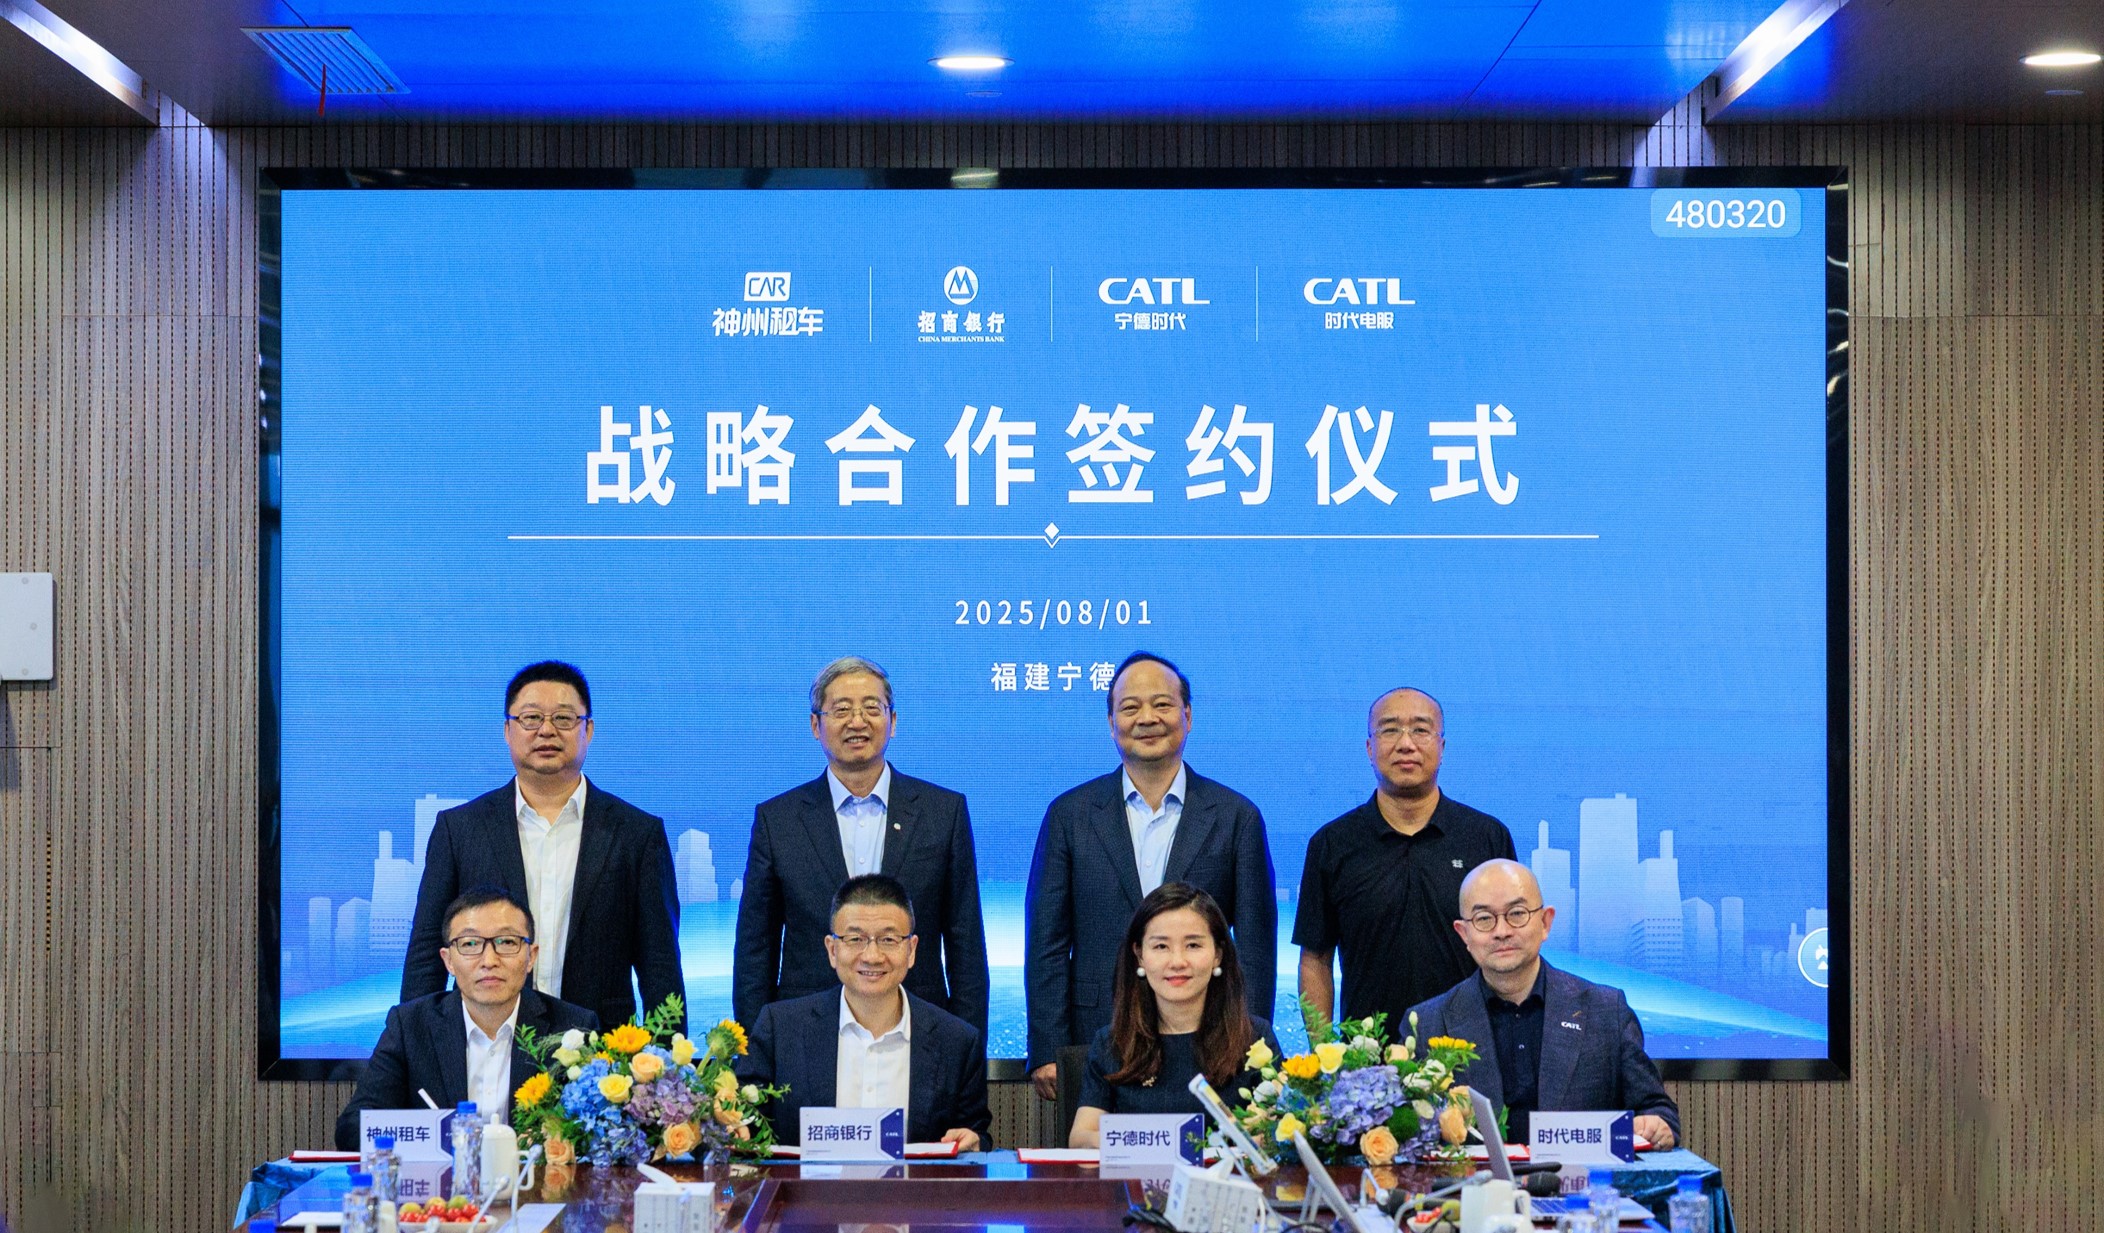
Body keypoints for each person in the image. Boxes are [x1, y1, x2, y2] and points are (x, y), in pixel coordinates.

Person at [1026, 652, 1277, 1100]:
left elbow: (1255, 948)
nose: (1147, 718)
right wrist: (1047, 1045)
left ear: (1188, 715)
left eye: (1162, 704)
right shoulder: (1070, 814)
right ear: (1111, 722)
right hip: (1096, 1036)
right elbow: (1047, 941)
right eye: (1130, 707)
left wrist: (1251, 1045)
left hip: (1211, 1040)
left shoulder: (1236, 816)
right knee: (1097, 1145)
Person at [401, 660, 683, 1033]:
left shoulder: (637, 834)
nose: (546, 730)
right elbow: (426, 956)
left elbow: (660, 966)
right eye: (531, 718)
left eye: (564, 718)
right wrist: (413, 1050)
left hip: (602, 1050)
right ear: (507, 730)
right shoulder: (460, 829)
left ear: (588, 730)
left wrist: (667, 1064)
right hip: (484, 1043)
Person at [735, 657, 989, 1038]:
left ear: (893, 721)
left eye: (872, 708)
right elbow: (755, 952)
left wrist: (967, 1050)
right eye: (841, 710)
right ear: (815, 725)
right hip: (807, 1036)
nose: (857, 722)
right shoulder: (778, 820)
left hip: (920, 1033)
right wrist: (757, 1049)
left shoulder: (942, 812)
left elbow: (965, 946)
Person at [1409, 859, 1680, 1147]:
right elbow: (1412, 1137)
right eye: (1484, 918)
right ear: (1464, 934)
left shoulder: (1606, 1011)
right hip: (1475, 1177)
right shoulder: (1428, 1024)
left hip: (1582, 1175)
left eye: (1517, 914)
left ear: (1545, 922)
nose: (1501, 931)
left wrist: (1656, 1125)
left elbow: (1657, 1111)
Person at [1295, 686, 1515, 1036]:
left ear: (1442, 747)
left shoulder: (1486, 837)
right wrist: (1323, 1053)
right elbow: (1315, 960)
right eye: (1390, 730)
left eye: (1421, 730)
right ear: (1369, 748)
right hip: (1367, 1056)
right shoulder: (1332, 844)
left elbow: (1512, 947)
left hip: (1469, 1050)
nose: (1406, 744)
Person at [738, 874, 992, 1149]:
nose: (872, 956)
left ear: (911, 950)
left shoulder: (957, 1042)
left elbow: (976, 1135)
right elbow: (743, 1123)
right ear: (832, 950)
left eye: (888, 939)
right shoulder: (779, 1030)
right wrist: (731, 1127)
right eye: (856, 939)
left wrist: (975, 1142)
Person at [338, 888, 598, 1150]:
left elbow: (596, 1129)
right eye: (470, 944)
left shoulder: (573, 1029)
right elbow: (353, 1127)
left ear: (531, 956)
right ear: (448, 961)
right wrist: (438, 1139)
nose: (489, 960)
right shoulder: (410, 1026)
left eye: (507, 942)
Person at [1069, 883, 1282, 1147]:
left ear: (1218, 955)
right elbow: (1081, 1138)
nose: (1177, 961)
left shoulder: (1255, 1039)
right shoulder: (1112, 1042)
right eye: (1161, 947)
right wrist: (1168, 1144)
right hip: (1139, 1174)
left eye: (1193, 945)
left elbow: (1279, 1133)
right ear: (1140, 956)